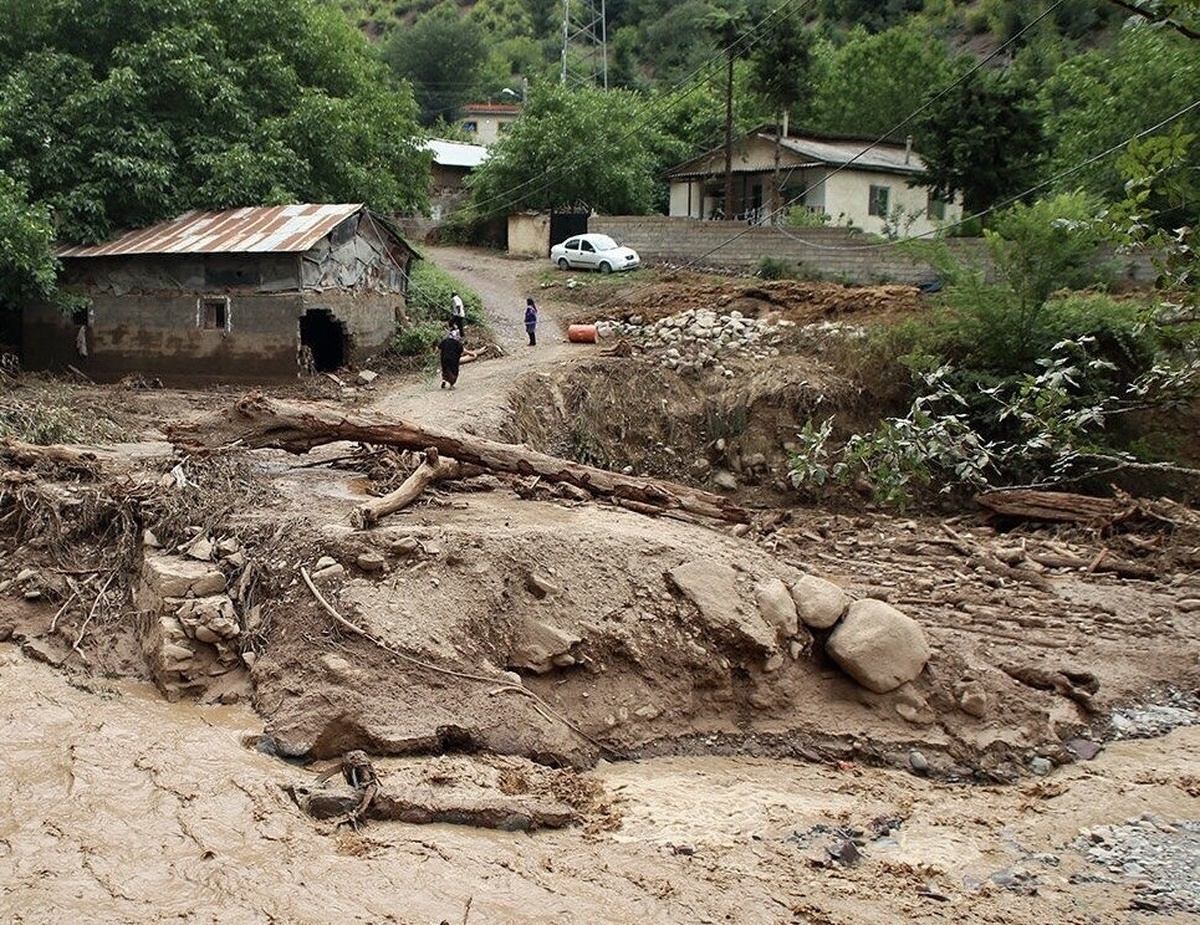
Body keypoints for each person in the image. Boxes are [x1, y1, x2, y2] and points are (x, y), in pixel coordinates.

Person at [439, 322, 463, 389]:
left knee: (445, 370)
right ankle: (451, 385)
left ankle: (444, 381)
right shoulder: (457, 343)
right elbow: (461, 351)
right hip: (453, 360)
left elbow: (439, 348)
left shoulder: (445, 341)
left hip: (444, 358)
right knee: (454, 371)